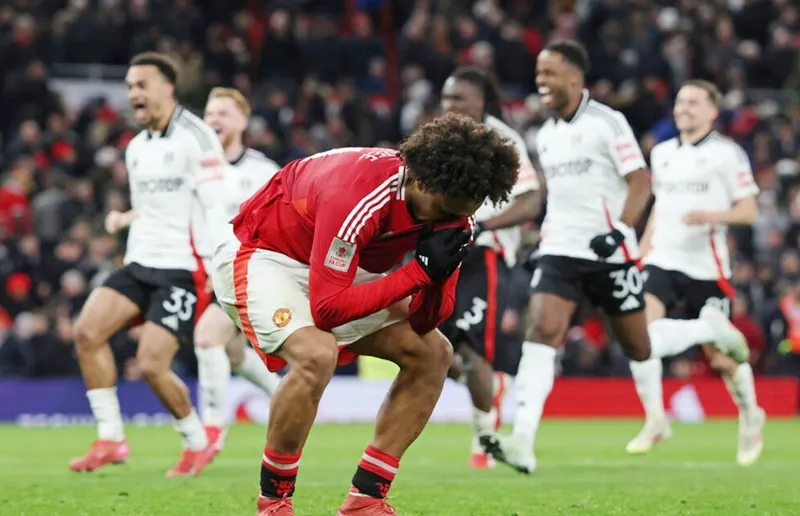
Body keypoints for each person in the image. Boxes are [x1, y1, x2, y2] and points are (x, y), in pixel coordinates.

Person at [212, 113, 519, 515]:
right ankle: (274, 503)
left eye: (463, 214)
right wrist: (418, 272)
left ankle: (366, 500)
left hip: (333, 267)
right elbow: (327, 309)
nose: (453, 221)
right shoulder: (358, 192)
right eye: (446, 211)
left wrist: (438, 276)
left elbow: (428, 320)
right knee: (316, 353)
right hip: (264, 255)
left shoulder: (454, 205)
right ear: (423, 181)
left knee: (433, 354)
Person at [478, 40, 748, 474]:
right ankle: (522, 441)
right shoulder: (546, 135)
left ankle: (703, 329)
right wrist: (541, 241)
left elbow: (640, 183)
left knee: (639, 344)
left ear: (574, 77)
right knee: (542, 331)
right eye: (538, 74)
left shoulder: (607, 122)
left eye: (549, 74)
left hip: (610, 253)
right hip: (562, 250)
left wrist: (619, 231)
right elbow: (560, 197)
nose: (541, 82)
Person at [68, 52, 228, 476]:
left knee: (153, 363)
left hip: (183, 268)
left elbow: (216, 207)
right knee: (87, 331)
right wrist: (125, 220)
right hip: (141, 261)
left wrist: (217, 264)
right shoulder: (136, 148)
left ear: (167, 88)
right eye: (129, 87)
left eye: (141, 85)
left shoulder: (197, 137)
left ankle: (196, 443)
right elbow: (151, 207)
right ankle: (111, 439)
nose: (133, 94)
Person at [626, 80, 764, 466]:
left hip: (707, 266)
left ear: (712, 111)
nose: (683, 108)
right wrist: (643, 247)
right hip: (663, 259)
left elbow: (749, 210)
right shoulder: (663, 153)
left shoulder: (727, 154)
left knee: (721, 359)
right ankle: (655, 419)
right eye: (680, 101)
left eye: (693, 102)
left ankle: (752, 414)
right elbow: (661, 206)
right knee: (642, 336)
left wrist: (711, 215)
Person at [439, 66, 541, 469]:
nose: (449, 106)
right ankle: (488, 387)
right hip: (440, 251)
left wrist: (482, 223)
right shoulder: (441, 140)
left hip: (483, 252)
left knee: (469, 347)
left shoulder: (502, 140)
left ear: (480, 101)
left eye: (457, 99)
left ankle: (484, 440)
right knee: (430, 347)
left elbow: (530, 201)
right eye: (445, 99)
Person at [193, 87, 283, 456]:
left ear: (243, 120)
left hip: (251, 271)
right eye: (210, 113)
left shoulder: (263, 171)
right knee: (231, 354)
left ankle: (212, 429)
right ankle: (287, 395)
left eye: (223, 113)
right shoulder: (196, 170)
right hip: (207, 273)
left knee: (207, 337)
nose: (213, 120)